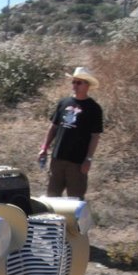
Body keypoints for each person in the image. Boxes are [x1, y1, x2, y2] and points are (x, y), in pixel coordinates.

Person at [38, 67, 103, 200]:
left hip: (77, 162)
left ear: (87, 85)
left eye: (79, 83)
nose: (75, 85)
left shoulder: (94, 108)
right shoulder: (63, 102)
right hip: (57, 159)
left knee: (75, 199)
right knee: (52, 197)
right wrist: (44, 148)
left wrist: (88, 159)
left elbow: (95, 136)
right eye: (73, 82)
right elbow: (53, 127)